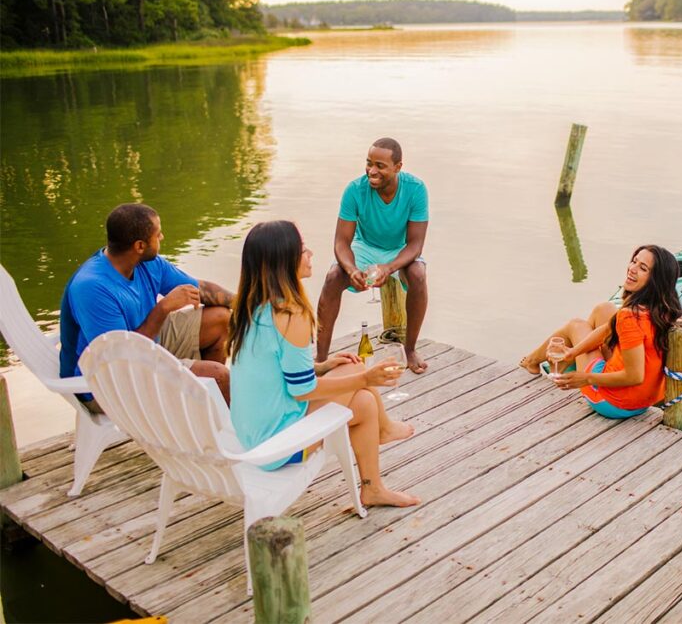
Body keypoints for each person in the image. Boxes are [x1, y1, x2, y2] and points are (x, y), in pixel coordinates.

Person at [228, 220, 420, 508]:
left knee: (364, 403)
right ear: (285, 260)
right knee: (358, 373)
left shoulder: (253, 307)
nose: (311, 254)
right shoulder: (290, 314)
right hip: (278, 446)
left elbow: (273, 371)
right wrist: (366, 378)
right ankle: (385, 429)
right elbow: (303, 390)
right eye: (303, 250)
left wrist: (322, 366)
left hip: (253, 434)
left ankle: (373, 488)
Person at [59, 203, 234, 412]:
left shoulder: (147, 263)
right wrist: (163, 308)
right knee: (218, 376)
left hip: (146, 344)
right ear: (140, 246)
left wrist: (248, 304)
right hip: (104, 382)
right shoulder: (92, 288)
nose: (162, 237)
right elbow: (121, 358)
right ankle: (218, 433)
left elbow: (199, 289)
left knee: (222, 318)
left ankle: (199, 412)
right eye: (157, 234)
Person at [519, 245, 682, 418]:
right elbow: (608, 328)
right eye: (634, 261)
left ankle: (532, 362)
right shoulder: (661, 309)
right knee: (604, 309)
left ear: (655, 280)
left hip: (612, 402)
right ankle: (568, 359)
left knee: (576, 325)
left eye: (643, 268)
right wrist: (573, 351)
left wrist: (586, 378)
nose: (632, 269)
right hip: (642, 402)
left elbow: (635, 376)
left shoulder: (630, 316)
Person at [316, 137, 429, 374]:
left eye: (380, 165)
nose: (371, 171)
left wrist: (388, 268)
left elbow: (415, 245)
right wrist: (352, 270)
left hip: (400, 248)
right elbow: (341, 242)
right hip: (364, 246)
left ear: (398, 167)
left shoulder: (416, 189)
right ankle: (320, 357)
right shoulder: (355, 190)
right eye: (369, 163)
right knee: (333, 276)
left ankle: (409, 349)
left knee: (418, 274)